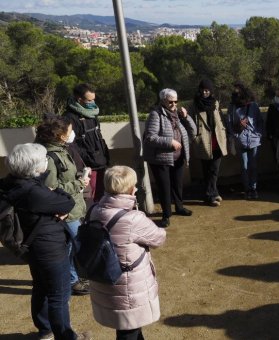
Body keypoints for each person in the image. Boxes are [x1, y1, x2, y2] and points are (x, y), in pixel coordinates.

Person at [0, 143, 91, 340]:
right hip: (49, 247)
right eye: (43, 160)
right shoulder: (33, 192)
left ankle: (46, 330)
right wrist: (54, 191)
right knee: (59, 294)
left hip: (32, 246)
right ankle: (67, 336)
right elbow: (68, 201)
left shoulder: (11, 185)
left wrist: (48, 191)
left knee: (40, 287)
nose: (46, 162)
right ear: (34, 167)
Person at [87, 166, 166, 340]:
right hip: (128, 283)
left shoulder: (94, 210)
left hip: (104, 277)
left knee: (126, 326)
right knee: (128, 329)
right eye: (134, 185)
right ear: (130, 189)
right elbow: (159, 238)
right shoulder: (132, 219)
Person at [35, 115, 91, 296]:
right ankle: (71, 280)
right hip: (66, 210)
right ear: (60, 135)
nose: (72, 133)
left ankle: (71, 279)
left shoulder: (60, 150)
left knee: (70, 246)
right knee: (75, 245)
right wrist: (79, 183)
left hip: (71, 207)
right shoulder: (51, 156)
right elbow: (51, 188)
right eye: (69, 130)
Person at [143, 88, 196, 228]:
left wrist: (187, 117)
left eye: (176, 101)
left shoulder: (177, 114)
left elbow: (193, 131)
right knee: (164, 188)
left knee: (178, 184)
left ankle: (179, 207)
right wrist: (170, 142)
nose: (174, 104)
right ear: (163, 101)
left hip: (178, 157)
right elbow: (150, 137)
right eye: (170, 102)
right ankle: (166, 214)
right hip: (161, 158)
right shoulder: (156, 114)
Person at [62, 83, 110, 204]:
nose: (93, 102)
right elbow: (71, 144)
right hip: (88, 166)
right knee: (91, 199)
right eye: (89, 100)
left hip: (100, 161)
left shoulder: (92, 114)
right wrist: (86, 160)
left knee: (101, 196)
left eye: (94, 99)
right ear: (79, 99)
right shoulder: (69, 118)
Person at [189, 79, 228, 206]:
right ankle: (211, 195)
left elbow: (220, 118)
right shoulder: (194, 105)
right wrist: (195, 138)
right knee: (207, 170)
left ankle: (212, 193)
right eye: (203, 90)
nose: (205, 92)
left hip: (217, 140)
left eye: (207, 90)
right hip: (204, 141)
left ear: (211, 91)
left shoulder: (215, 103)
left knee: (214, 169)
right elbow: (189, 122)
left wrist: (224, 132)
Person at [226, 82, 263, 199]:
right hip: (240, 141)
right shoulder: (232, 107)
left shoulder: (253, 105)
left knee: (253, 166)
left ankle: (254, 188)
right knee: (244, 166)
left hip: (254, 140)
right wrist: (235, 135)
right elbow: (229, 124)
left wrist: (258, 134)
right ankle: (247, 189)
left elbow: (260, 121)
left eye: (238, 90)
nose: (236, 93)